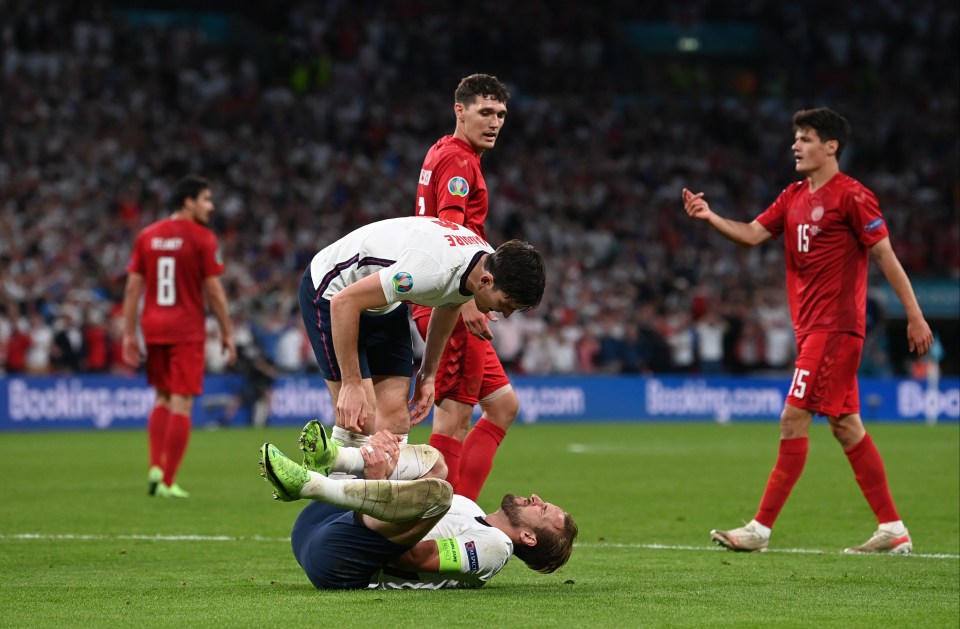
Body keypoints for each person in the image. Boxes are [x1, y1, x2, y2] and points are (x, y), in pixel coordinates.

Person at [682, 107, 934, 554]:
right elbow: (752, 234)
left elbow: (885, 257)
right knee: (846, 426)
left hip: (834, 328)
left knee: (792, 418)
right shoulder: (793, 195)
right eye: (795, 137)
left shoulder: (853, 196)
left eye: (806, 137)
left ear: (831, 146)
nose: (795, 145)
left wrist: (913, 314)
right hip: (813, 329)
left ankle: (759, 529)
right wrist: (710, 217)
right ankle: (893, 528)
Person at [298, 215, 545, 450]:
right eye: (507, 304)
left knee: (395, 421)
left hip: (382, 301)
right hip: (331, 292)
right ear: (486, 282)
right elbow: (345, 302)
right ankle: (325, 491)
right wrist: (351, 384)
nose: (507, 314)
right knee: (360, 419)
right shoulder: (428, 271)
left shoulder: (486, 263)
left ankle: (376, 492)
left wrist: (428, 375)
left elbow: (449, 304)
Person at [257, 421, 577, 589]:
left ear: (529, 538)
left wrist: (390, 498)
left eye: (544, 510)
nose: (536, 498)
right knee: (437, 467)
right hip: (319, 523)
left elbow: (413, 558)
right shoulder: (470, 509)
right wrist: (382, 480)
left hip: (339, 561)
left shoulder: (495, 549)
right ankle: (337, 460)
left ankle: (310, 484)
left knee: (436, 495)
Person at [410, 73, 518, 501]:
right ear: (460, 110)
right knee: (454, 416)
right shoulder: (459, 161)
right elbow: (449, 231)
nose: (494, 122)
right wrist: (468, 298)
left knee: (504, 406)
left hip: (451, 292)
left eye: (501, 115)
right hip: (452, 297)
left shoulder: (445, 149)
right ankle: (434, 524)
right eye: (485, 112)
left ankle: (462, 509)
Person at [122, 175, 236, 498]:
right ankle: (168, 482)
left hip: (154, 327)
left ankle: (154, 467)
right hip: (186, 328)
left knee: (161, 397)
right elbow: (213, 291)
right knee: (182, 403)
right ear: (189, 201)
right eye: (206, 199)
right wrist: (227, 332)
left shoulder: (147, 236)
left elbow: (133, 287)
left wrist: (129, 333)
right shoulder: (202, 238)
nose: (211, 207)